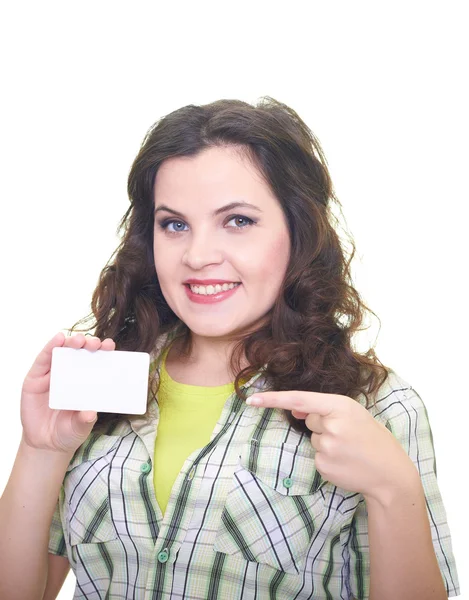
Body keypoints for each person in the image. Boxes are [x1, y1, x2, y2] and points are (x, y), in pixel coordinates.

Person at [0, 97, 460, 600]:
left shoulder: (378, 406)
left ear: (298, 231)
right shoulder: (103, 382)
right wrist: (40, 451)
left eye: (238, 221)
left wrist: (394, 490)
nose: (197, 256)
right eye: (174, 224)